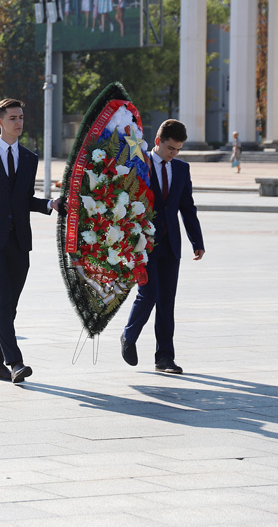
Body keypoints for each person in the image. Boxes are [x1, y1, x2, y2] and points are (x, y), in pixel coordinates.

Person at [0, 99, 59, 383]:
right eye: (13, 118)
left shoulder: (29, 158)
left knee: (9, 306)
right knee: (2, 302)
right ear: (0, 121)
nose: (19, 122)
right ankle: (15, 362)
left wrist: (49, 204)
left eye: (21, 117)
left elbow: (24, 199)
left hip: (19, 241)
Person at [121, 119, 205, 375]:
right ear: (157, 141)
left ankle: (165, 357)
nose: (174, 154)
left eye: (178, 149)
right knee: (149, 294)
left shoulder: (181, 168)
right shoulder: (138, 164)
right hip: (143, 243)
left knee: (167, 302)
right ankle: (129, 336)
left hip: (171, 245)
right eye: (170, 148)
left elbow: (187, 207)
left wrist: (197, 241)